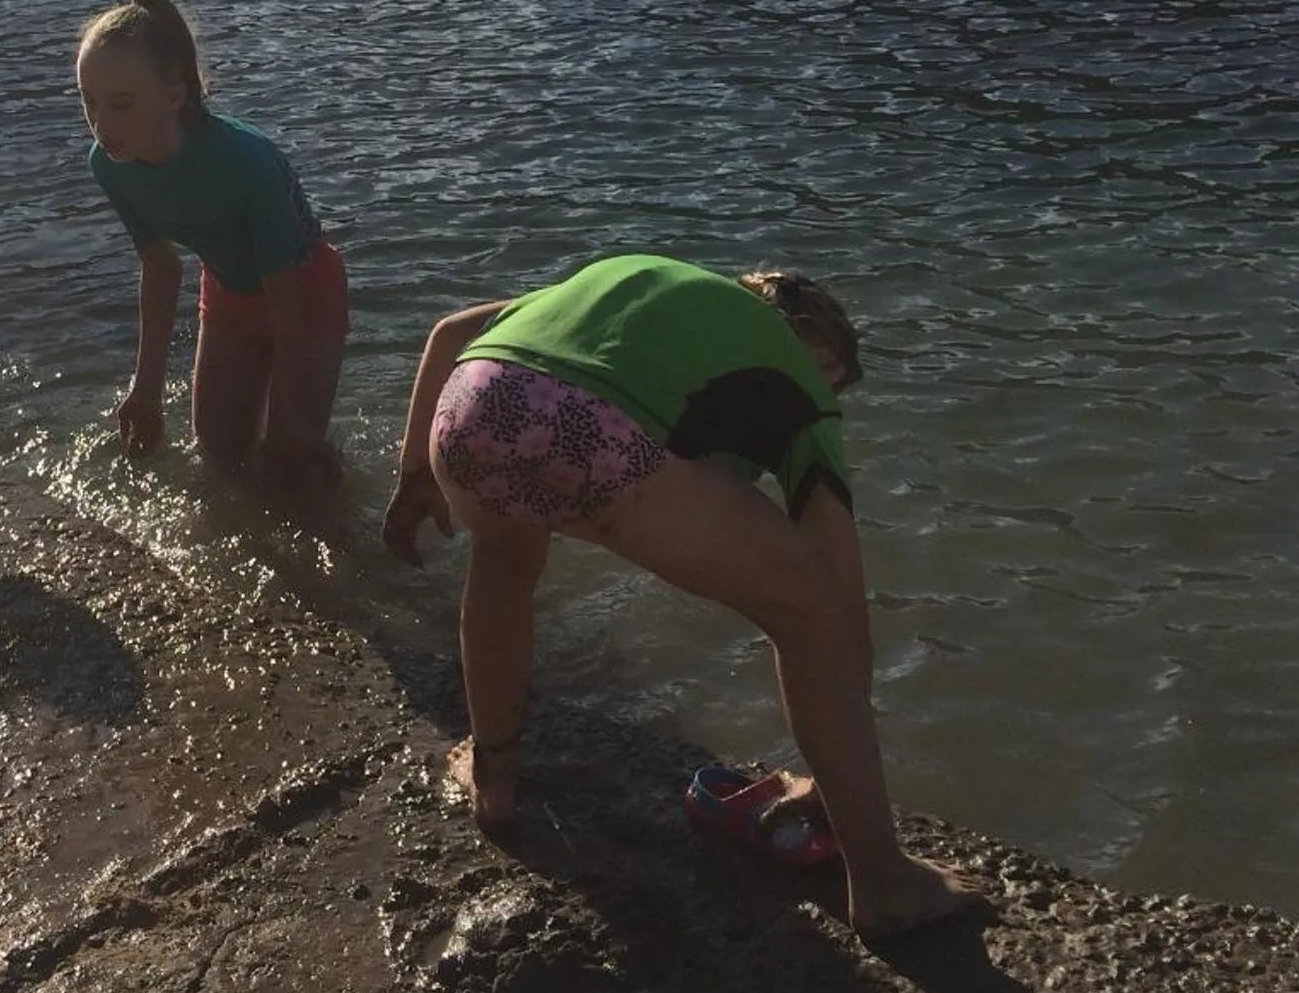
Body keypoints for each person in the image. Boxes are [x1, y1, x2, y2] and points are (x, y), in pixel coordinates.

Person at [382, 254, 983, 939]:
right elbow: (842, 596)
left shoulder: (650, 286)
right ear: (818, 348)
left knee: (503, 563)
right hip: (591, 432)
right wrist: (832, 780)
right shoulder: (795, 384)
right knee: (811, 611)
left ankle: (495, 780)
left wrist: (413, 476)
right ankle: (883, 882)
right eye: (837, 378)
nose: (834, 398)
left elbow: (451, 330)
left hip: (467, 407)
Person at [77, 0, 346, 487]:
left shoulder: (243, 164)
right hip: (227, 286)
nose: (101, 124)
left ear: (173, 96)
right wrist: (147, 391)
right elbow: (162, 267)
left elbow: (286, 310)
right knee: (220, 456)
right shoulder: (110, 164)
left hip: (304, 289)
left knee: (293, 461)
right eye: (89, 102)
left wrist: (295, 422)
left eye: (120, 105)